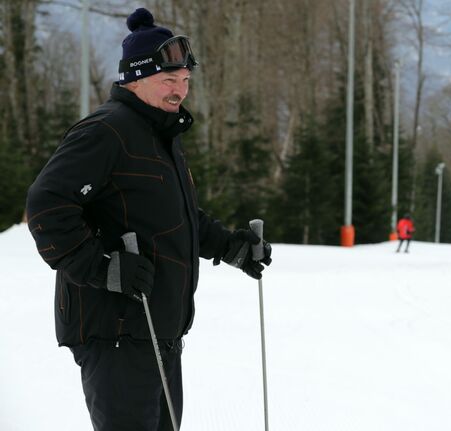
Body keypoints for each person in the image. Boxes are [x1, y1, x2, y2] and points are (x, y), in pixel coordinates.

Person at [25, 8, 272, 431]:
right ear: (134, 80)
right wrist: (102, 267)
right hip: (116, 329)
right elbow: (46, 206)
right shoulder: (106, 131)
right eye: (169, 81)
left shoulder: (159, 136)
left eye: (185, 81)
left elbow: (176, 218)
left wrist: (231, 246)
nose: (180, 91)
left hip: (158, 331)